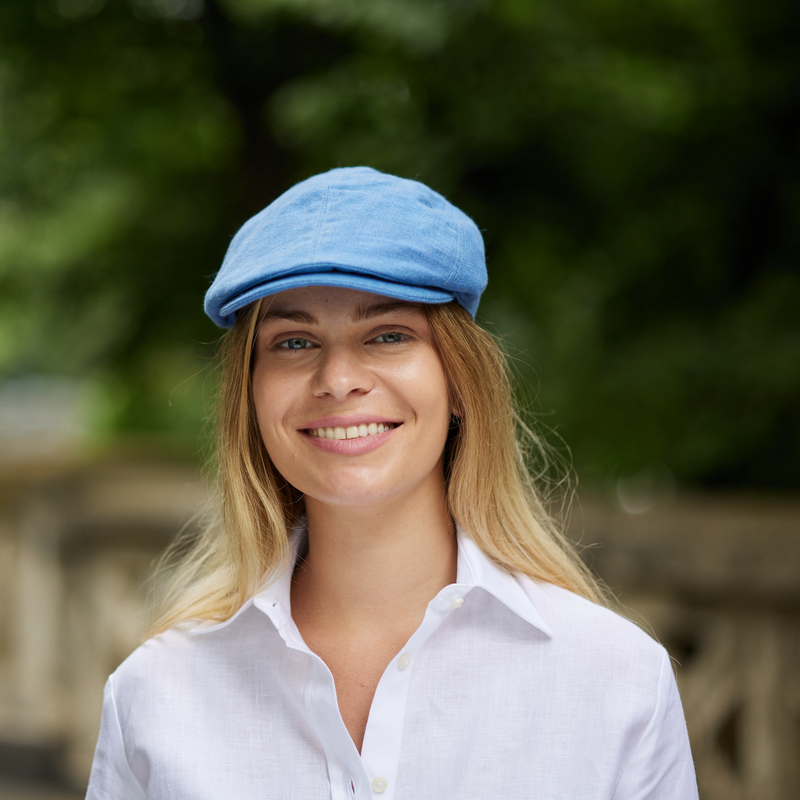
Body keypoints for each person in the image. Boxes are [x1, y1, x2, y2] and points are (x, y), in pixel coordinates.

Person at [85, 167, 698, 799]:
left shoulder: (617, 681)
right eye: (295, 342)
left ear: (459, 380)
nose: (339, 378)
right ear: (250, 396)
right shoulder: (155, 695)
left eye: (388, 335)